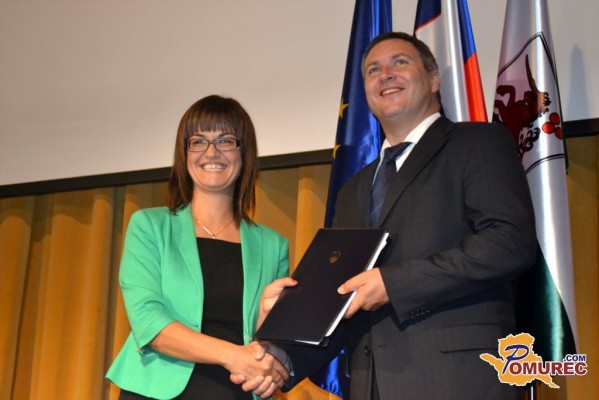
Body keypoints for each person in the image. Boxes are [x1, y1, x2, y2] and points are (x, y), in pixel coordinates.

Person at [249, 32, 537, 400]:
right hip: (370, 385)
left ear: (433, 79)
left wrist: (392, 284)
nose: (385, 74)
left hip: (458, 379)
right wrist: (282, 358)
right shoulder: (354, 188)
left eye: (400, 63)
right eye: (373, 70)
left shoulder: (478, 143)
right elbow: (343, 296)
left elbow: (509, 243)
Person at [106, 95, 290, 400]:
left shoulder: (273, 245)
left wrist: (268, 349)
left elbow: (266, 339)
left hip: (236, 392)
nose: (211, 152)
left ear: (244, 153)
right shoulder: (150, 226)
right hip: (157, 393)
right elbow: (148, 322)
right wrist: (232, 355)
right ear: (184, 153)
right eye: (198, 141)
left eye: (226, 140)